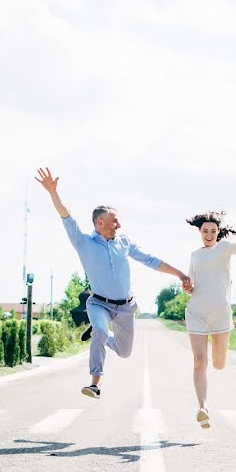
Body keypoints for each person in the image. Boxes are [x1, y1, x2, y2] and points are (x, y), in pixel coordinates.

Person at [35, 167, 192, 398]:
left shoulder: (124, 242)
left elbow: (151, 260)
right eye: (115, 221)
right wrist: (52, 192)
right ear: (100, 223)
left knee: (124, 351)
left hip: (126, 307)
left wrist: (179, 274)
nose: (119, 225)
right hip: (99, 304)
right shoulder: (83, 242)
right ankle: (94, 383)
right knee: (100, 329)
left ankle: (100, 333)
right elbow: (66, 216)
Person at [183, 209, 236, 428]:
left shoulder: (224, 248)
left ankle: (215, 371)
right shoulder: (195, 255)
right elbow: (191, 285)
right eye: (205, 231)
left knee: (219, 364)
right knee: (199, 361)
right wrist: (187, 286)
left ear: (218, 232)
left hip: (220, 314)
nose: (209, 234)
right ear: (200, 231)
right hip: (196, 313)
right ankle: (202, 407)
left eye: (213, 231)